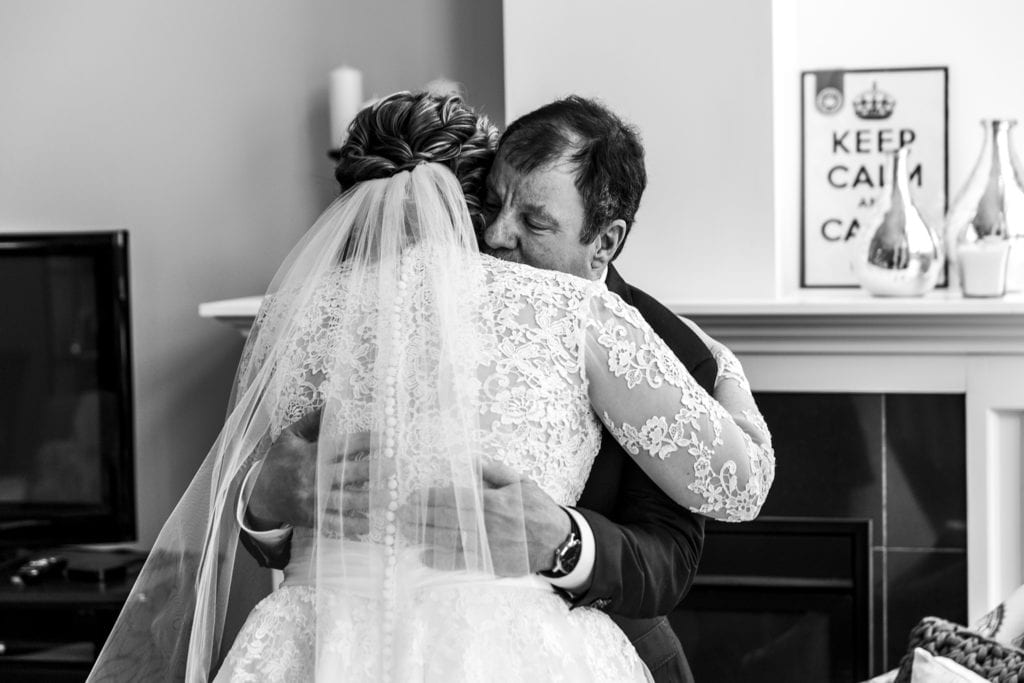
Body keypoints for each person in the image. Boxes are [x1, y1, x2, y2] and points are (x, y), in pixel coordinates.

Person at [90, 91, 773, 682]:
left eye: (535, 221)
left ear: (606, 241)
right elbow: (280, 508)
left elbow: (673, 553)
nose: (500, 235)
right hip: (366, 635)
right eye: (494, 205)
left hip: (575, 627)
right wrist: (262, 499)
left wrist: (565, 540)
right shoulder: (360, 315)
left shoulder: (658, 340)